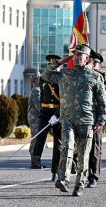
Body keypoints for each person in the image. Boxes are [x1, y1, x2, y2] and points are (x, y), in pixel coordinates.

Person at [43, 44, 106, 197]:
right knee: (66, 147)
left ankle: (79, 184)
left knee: (84, 154)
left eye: (80, 55)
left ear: (87, 59)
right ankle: (63, 179)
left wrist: (101, 120)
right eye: (75, 55)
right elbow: (46, 75)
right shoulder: (65, 74)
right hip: (67, 120)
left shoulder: (95, 76)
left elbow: (102, 101)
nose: (77, 57)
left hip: (86, 121)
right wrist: (62, 61)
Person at [31, 54, 62, 182]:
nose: (52, 68)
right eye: (50, 65)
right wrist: (42, 112)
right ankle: (36, 157)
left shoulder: (62, 79)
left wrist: (58, 114)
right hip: (45, 111)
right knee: (40, 134)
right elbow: (43, 95)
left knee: (58, 142)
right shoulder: (44, 79)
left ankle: (56, 170)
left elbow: (64, 99)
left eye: (54, 65)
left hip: (57, 111)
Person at [86, 50, 106, 188]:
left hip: (97, 115)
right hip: (84, 115)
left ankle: (93, 176)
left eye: (94, 63)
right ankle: (82, 172)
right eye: (90, 61)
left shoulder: (102, 77)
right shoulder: (83, 74)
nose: (92, 64)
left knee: (95, 147)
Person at [27, 75, 40, 160]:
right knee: (35, 137)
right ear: (35, 81)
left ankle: (34, 157)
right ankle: (33, 157)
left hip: (35, 117)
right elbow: (38, 106)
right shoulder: (36, 91)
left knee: (36, 137)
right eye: (39, 79)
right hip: (35, 118)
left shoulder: (37, 90)